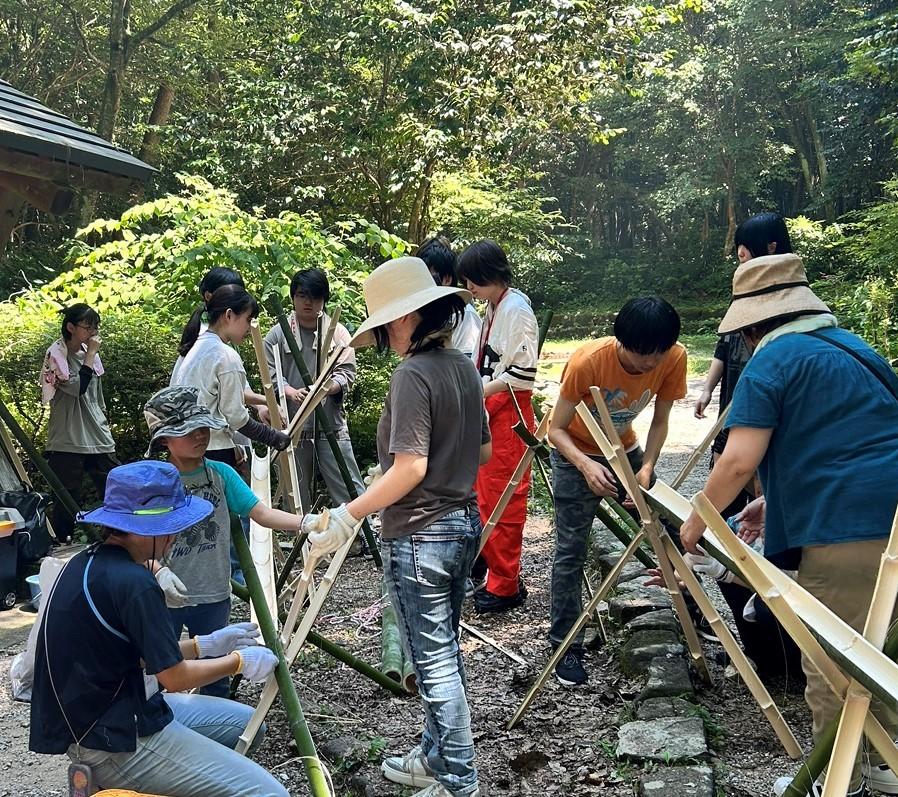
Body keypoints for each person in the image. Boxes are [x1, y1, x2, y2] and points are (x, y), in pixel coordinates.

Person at [679, 254, 898, 797]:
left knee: (832, 658)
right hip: (886, 519)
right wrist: (774, 506)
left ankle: (838, 779)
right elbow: (847, 442)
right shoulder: (858, 351)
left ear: (752, 326)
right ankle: (882, 766)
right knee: (881, 653)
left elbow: (736, 462)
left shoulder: (772, 362)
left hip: (847, 528)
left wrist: (695, 521)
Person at [301, 256, 489, 797]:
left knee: (433, 665)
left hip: (420, 533)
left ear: (404, 318)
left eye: (383, 323)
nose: (383, 333)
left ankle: (458, 782)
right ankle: (434, 757)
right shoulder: (461, 367)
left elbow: (409, 467)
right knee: (444, 651)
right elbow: (483, 451)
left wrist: (348, 513)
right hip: (461, 523)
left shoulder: (413, 374)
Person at [29, 460, 287, 797]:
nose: (175, 535)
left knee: (249, 725)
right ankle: (121, 778)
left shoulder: (86, 561)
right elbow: (174, 678)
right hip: (114, 737)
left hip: (110, 711)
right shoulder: (136, 583)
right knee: (270, 793)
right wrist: (238, 661)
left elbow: (133, 656)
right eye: (171, 525)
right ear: (145, 529)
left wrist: (203, 645)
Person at [547, 296, 687, 685]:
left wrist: (647, 467)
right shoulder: (588, 362)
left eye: (658, 353)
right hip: (577, 451)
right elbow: (555, 429)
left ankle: (690, 611)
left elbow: (660, 420)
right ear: (621, 339)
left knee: (671, 529)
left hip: (625, 448)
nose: (649, 363)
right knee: (570, 551)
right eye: (642, 353)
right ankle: (565, 643)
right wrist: (586, 465)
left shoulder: (673, 357)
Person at [143, 385, 307, 698]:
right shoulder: (154, 481)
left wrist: (305, 523)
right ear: (164, 439)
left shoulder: (220, 474)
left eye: (202, 428)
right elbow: (136, 543)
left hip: (214, 592)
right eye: (187, 431)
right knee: (161, 668)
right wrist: (157, 571)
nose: (199, 436)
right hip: (165, 595)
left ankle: (214, 726)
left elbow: (260, 513)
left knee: (215, 671)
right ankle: (166, 731)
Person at [456, 240, 538, 613]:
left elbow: (522, 375)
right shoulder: (493, 307)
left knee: (504, 502)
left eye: (474, 280)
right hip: (488, 408)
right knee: (484, 498)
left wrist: (476, 391)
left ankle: (505, 584)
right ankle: (497, 574)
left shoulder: (517, 310)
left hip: (509, 414)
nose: (470, 287)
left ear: (491, 275)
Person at [263, 268, 365, 512]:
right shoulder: (277, 334)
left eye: (314, 296)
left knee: (347, 484)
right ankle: (302, 542)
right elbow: (270, 376)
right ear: (293, 297)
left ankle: (359, 536)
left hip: (331, 423)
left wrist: (327, 387)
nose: (307, 302)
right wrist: (288, 391)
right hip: (292, 425)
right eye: (301, 295)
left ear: (324, 299)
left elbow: (347, 372)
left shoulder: (337, 332)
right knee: (295, 493)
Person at [171, 284, 289, 464]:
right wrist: (273, 438)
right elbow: (236, 417)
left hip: (183, 446)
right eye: (248, 320)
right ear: (228, 315)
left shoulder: (197, 345)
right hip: (210, 448)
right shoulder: (225, 355)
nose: (250, 328)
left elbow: (223, 398)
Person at [40, 303, 118, 543]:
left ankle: (117, 539)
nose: (93, 333)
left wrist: (104, 421)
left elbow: (96, 394)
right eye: (88, 327)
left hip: (96, 433)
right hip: (68, 436)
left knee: (116, 486)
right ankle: (62, 545)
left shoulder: (90, 356)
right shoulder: (56, 355)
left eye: (95, 327)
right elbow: (78, 388)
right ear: (71, 327)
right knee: (66, 497)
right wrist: (91, 354)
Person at [417, 236, 482, 358]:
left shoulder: (464, 315)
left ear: (447, 279)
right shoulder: (423, 315)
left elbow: (467, 369)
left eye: (428, 277)